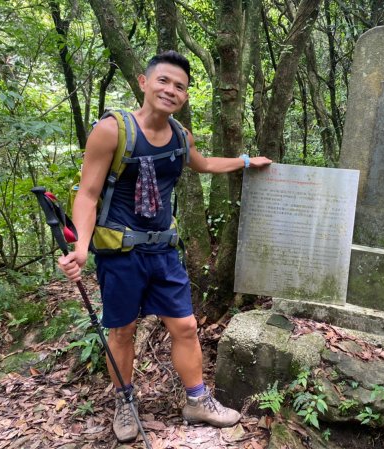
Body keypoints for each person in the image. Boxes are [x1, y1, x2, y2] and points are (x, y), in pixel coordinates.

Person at [58, 50, 272, 443]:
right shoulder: (111, 131)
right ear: (143, 82)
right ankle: (125, 402)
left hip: (164, 251)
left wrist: (245, 160)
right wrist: (82, 247)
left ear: (186, 95)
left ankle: (197, 400)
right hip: (120, 253)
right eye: (164, 81)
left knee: (186, 326)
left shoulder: (180, 136)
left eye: (180, 86)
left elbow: (202, 164)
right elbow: (87, 195)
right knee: (122, 332)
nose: (171, 90)